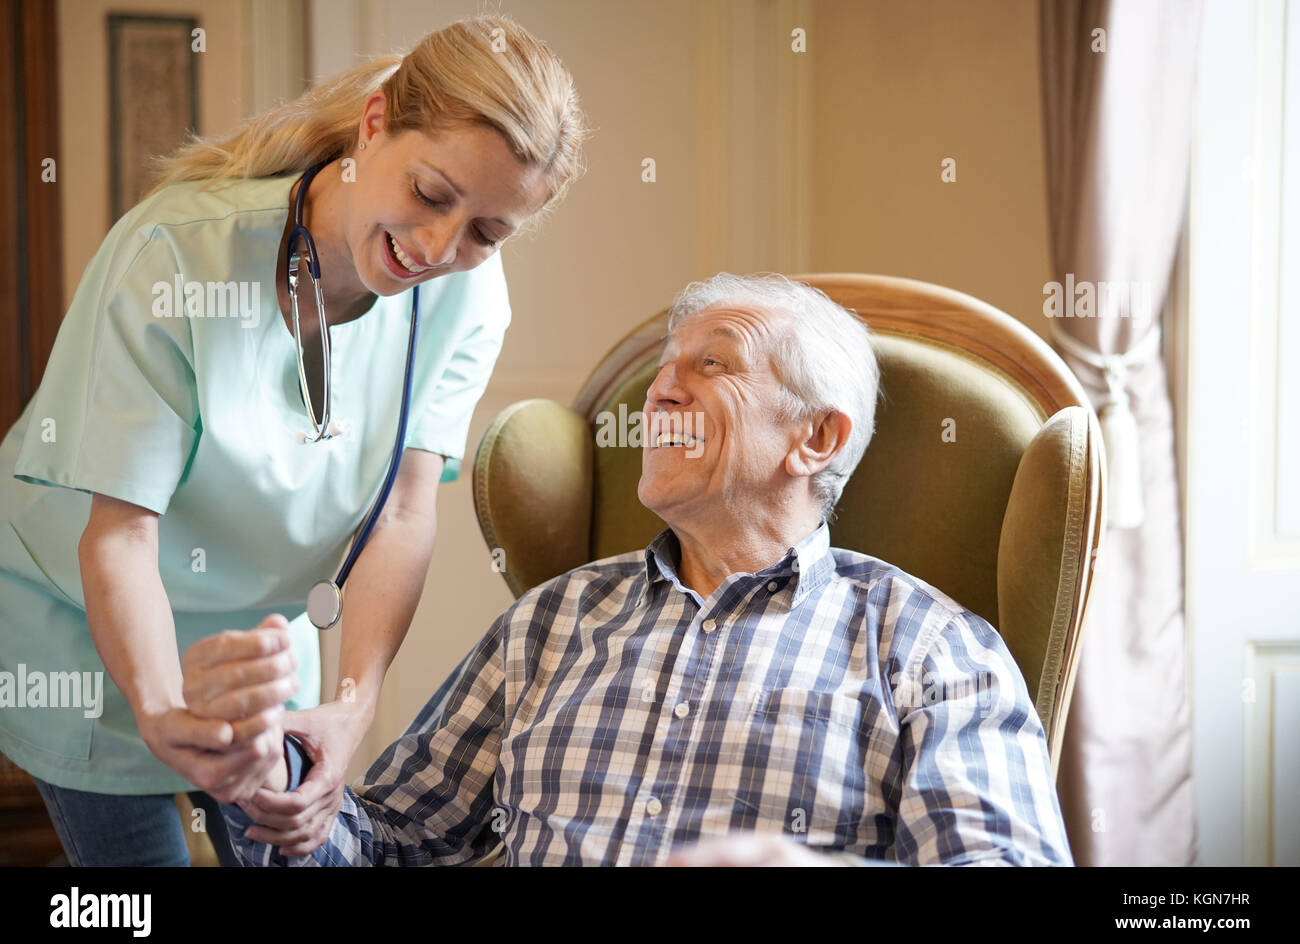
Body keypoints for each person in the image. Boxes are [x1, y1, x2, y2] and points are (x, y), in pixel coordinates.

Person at [202, 272, 1073, 866]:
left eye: (713, 364)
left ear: (818, 437)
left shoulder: (930, 649)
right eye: (664, 368)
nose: (662, 392)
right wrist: (270, 776)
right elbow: (389, 844)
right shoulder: (551, 623)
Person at [0, 14, 588, 866]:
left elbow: (402, 514)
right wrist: (162, 707)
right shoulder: (174, 256)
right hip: (82, 625)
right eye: (430, 194)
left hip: (262, 643)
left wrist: (351, 705)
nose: (438, 246)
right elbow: (120, 533)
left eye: (486, 232)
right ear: (376, 122)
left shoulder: (471, 298)